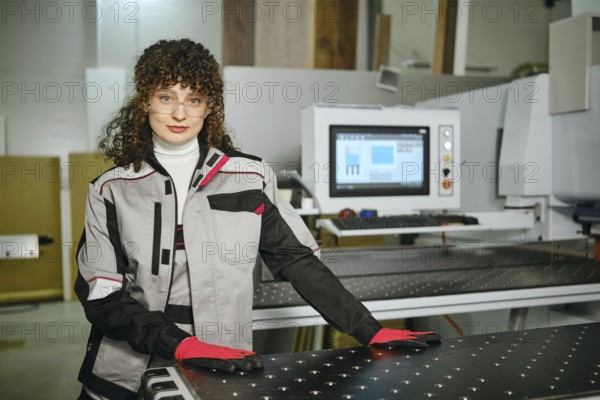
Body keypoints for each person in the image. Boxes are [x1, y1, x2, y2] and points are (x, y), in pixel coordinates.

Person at [74, 38, 440, 400]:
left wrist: (368, 330)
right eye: (166, 97)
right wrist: (180, 344)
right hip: (122, 373)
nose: (180, 113)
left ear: (209, 107)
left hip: (221, 363)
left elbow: (297, 260)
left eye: (194, 99)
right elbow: (102, 295)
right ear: (145, 101)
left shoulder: (249, 176)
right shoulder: (111, 189)